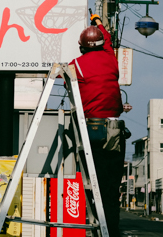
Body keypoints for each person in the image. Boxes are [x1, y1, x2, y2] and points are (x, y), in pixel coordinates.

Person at [69, 14, 130, 237]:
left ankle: (94, 228)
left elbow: (63, 77)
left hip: (91, 130)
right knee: (110, 186)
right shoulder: (110, 59)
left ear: (82, 47)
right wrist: (98, 22)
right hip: (114, 130)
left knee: (91, 182)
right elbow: (108, 40)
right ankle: (110, 231)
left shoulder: (76, 65)